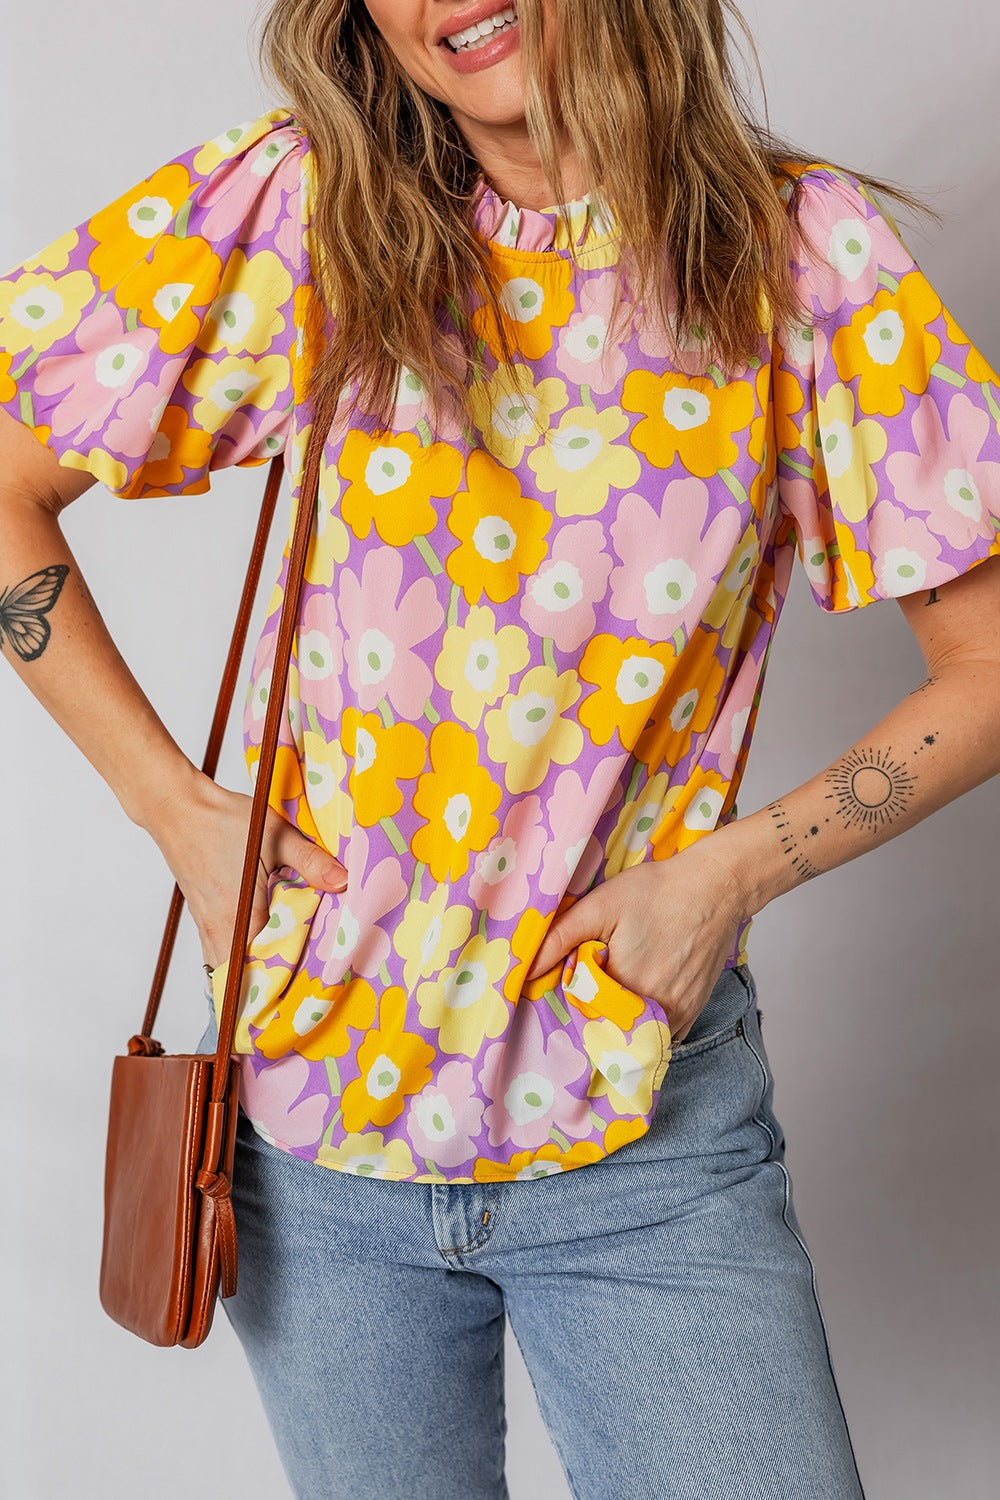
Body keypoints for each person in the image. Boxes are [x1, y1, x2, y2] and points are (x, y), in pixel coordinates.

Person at [2, 1, 998, 1496]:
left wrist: (731, 875)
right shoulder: (302, 209)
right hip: (313, 1120)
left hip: (642, 1121)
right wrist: (172, 809)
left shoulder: (798, 253)